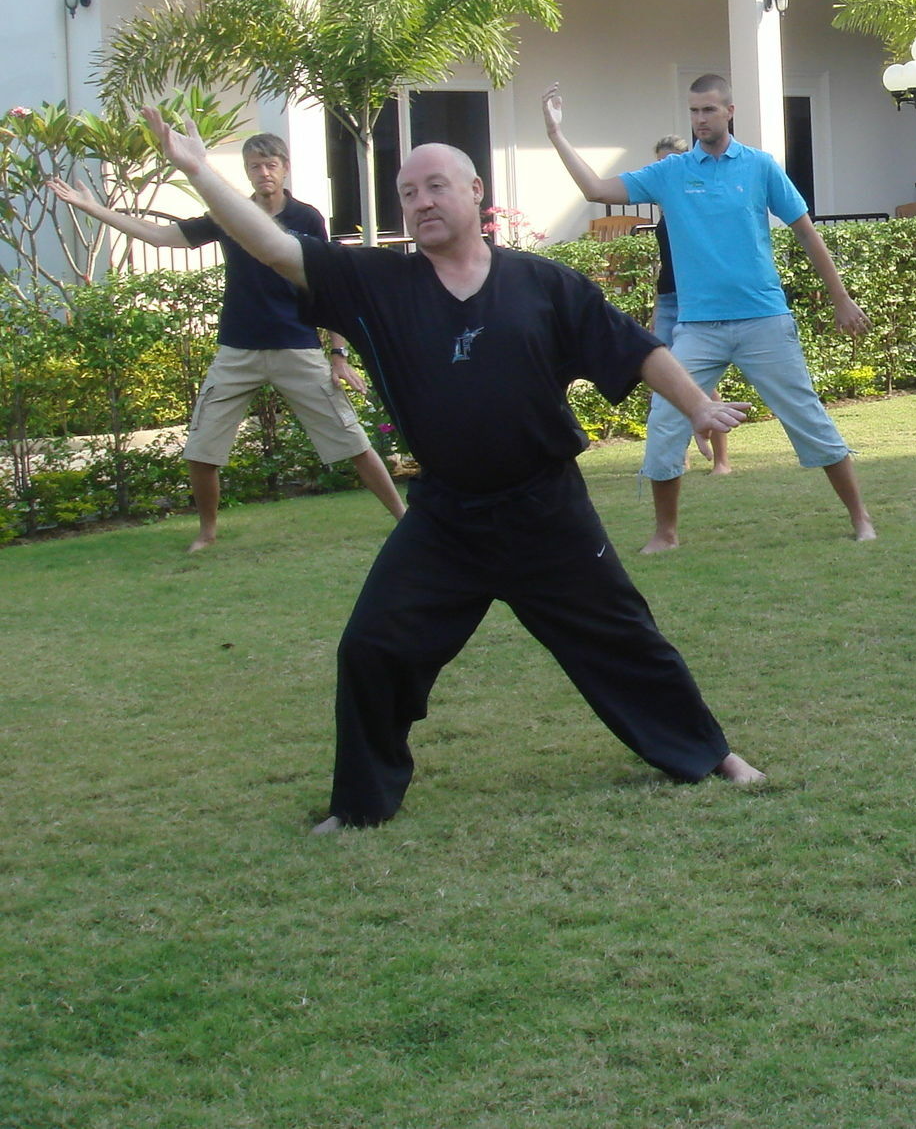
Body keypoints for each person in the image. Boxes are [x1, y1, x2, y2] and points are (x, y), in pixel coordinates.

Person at [145, 107, 764, 831]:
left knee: (625, 639)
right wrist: (199, 171)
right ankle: (361, 807)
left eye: (435, 186)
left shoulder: (541, 283)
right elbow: (274, 248)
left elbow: (632, 347)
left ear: (476, 193)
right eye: (408, 194)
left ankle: (711, 755)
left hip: (544, 510)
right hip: (446, 518)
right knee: (373, 648)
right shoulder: (375, 282)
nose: (421, 202)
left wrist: (696, 406)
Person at [543, 77, 873, 551]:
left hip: (764, 319)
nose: (700, 120)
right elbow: (597, 189)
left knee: (809, 419)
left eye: (709, 111)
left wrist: (841, 297)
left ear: (729, 111)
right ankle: (666, 534)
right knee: (665, 424)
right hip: (697, 327)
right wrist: (557, 134)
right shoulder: (670, 172)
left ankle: (861, 518)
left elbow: (805, 231)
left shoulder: (759, 167)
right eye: (694, 112)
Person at [45, 134, 405, 552]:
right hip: (238, 350)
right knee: (202, 449)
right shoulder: (227, 215)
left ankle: (403, 517)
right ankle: (207, 533)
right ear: (247, 172)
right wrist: (94, 208)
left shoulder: (307, 218)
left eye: (271, 164)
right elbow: (159, 236)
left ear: (285, 168)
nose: (263, 172)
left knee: (353, 442)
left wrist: (338, 354)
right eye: (255, 166)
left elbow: (327, 286)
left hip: (297, 347)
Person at [644, 132, 728, 476]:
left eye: (669, 162)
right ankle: (678, 457)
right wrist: (655, 310)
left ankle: (722, 461)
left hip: (695, 302)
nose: (662, 169)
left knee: (704, 383)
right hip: (667, 299)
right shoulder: (664, 205)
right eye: (658, 162)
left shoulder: (695, 200)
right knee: (664, 380)